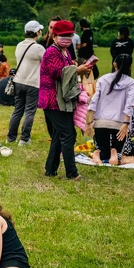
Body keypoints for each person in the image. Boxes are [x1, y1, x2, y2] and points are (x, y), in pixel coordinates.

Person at [40, 20, 92, 180]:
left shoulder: (65, 51)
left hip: (61, 99)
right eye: (64, 35)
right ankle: (72, 173)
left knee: (58, 135)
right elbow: (57, 73)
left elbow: (68, 69)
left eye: (70, 35)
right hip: (52, 100)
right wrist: (77, 70)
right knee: (68, 134)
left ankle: (50, 170)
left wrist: (81, 68)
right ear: (54, 36)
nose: (67, 39)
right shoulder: (51, 52)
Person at [87, 54, 134, 165]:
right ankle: (115, 152)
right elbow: (129, 105)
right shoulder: (132, 83)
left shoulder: (102, 79)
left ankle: (98, 153)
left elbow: (94, 100)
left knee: (103, 150)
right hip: (119, 125)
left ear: (114, 64)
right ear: (130, 67)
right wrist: (126, 124)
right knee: (120, 151)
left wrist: (90, 121)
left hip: (101, 123)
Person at [7, 20, 46, 146]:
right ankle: (24, 139)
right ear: (37, 32)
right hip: (33, 83)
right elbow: (45, 64)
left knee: (17, 110)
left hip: (18, 82)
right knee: (29, 111)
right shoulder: (39, 48)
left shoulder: (19, 45)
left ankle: (10, 137)